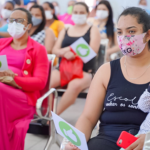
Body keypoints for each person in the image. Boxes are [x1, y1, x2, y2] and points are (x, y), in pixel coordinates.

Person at [64, 7, 150, 150]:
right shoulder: (106, 71)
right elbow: (88, 118)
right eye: (120, 32)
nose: (124, 37)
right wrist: (77, 142)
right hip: (105, 141)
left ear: (147, 35)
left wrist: (147, 140)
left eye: (131, 31)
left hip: (142, 143)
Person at [0, 8, 49, 150]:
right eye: (11, 20)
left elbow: (40, 82)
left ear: (28, 26)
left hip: (23, 97)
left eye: (19, 21)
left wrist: (15, 81)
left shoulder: (38, 49)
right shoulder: (2, 44)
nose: (14, 24)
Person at [51, 2, 100, 115]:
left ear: (88, 14)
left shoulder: (93, 29)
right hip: (63, 68)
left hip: (85, 71)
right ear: (72, 14)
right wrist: (65, 54)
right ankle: (46, 113)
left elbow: (92, 51)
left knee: (74, 85)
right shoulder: (66, 30)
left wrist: (69, 50)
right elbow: (55, 50)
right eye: (76, 12)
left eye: (81, 12)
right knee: (46, 82)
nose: (78, 15)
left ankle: (53, 118)